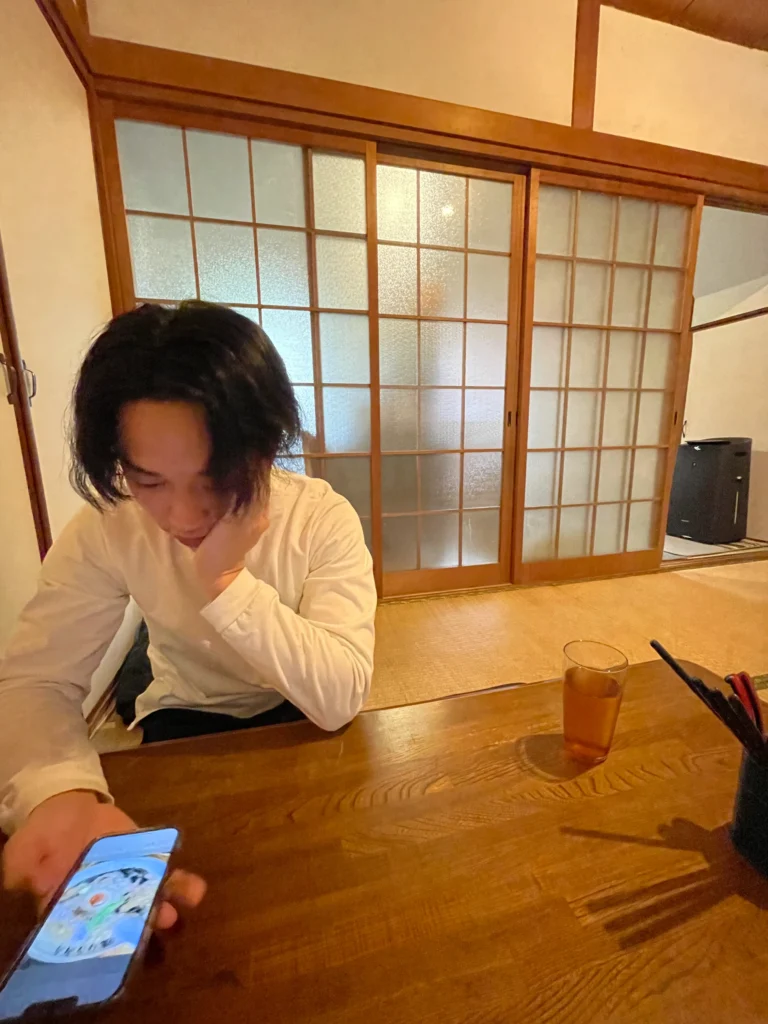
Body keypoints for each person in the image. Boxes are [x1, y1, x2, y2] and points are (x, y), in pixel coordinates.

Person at [0, 302, 377, 927]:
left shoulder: (320, 516)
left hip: (299, 711)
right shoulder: (110, 525)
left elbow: (340, 696)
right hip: (184, 714)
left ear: (265, 447)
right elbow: (36, 680)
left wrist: (225, 583)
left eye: (213, 478)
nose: (182, 516)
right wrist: (59, 793)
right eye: (150, 482)